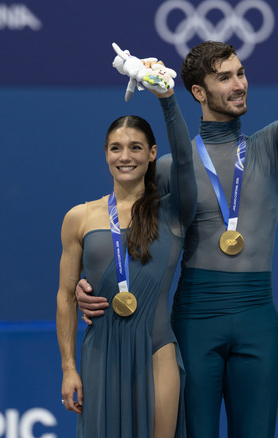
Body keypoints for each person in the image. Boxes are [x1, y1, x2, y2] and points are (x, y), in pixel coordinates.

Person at [77, 4, 278, 437]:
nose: (239, 84)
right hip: (195, 319)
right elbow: (116, 227)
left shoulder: (272, 146)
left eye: (241, 73)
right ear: (198, 92)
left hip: (258, 318)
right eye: (225, 77)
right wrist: (91, 284)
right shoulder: (167, 169)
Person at [56, 84, 195, 437]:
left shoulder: (173, 211)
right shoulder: (80, 217)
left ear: (152, 154)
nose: (125, 156)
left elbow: (183, 158)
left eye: (135, 147)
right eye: (116, 148)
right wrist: (69, 368)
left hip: (157, 353)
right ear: (105, 154)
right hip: (101, 356)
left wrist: (167, 99)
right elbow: (66, 296)